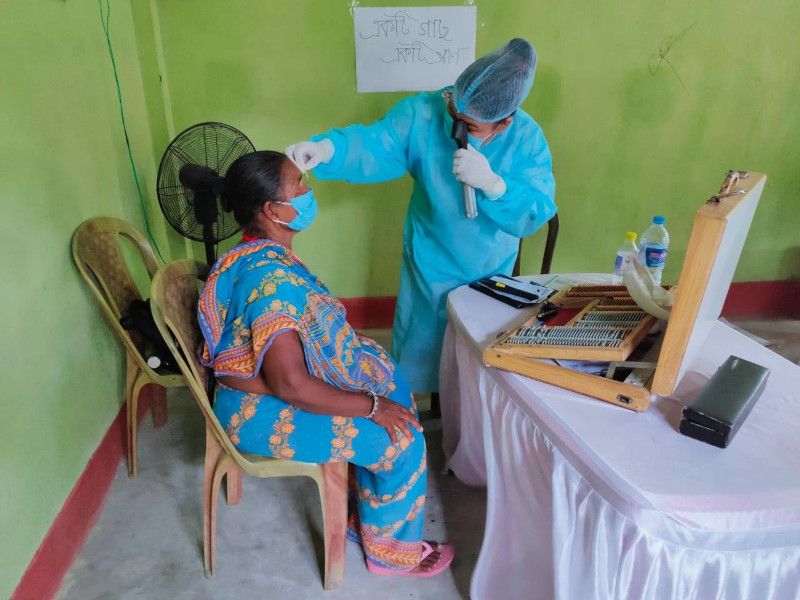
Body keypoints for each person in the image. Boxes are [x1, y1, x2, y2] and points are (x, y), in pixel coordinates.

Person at [196, 150, 454, 577]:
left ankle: (368, 516)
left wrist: (367, 382)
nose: (308, 192)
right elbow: (291, 385)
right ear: (273, 210)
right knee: (401, 439)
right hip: (254, 410)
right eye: (299, 186)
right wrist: (370, 406)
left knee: (390, 383)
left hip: (266, 386)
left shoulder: (256, 252)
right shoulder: (268, 281)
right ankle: (390, 553)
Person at [285, 38, 557, 404]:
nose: (456, 131)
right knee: (420, 352)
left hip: (487, 269)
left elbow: (537, 211)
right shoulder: (425, 114)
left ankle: (465, 421)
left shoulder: (526, 139)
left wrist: (496, 186)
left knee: (475, 363)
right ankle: (414, 415)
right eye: (454, 115)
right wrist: (328, 150)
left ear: (504, 123)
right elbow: (376, 144)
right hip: (429, 263)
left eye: (470, 127)